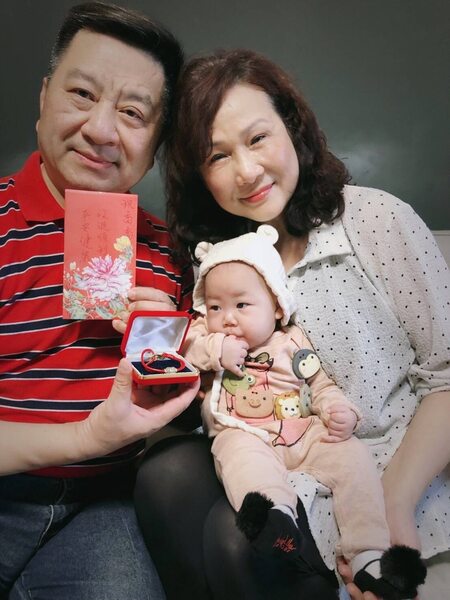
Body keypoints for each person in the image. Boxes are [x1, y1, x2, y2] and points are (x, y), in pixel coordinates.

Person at [135, 49, 450, 600]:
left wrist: (394, 502)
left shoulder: (374, 219)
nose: (247, 171)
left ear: (293, 127)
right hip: (273, 458)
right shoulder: (217, 263)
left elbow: (445, 375)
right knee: (164, 473)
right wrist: (156, 333)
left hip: (382, 471)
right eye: (217, 156)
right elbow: (206, 395)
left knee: (235, 543)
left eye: (257, 138)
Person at [0, 2, 198, 599]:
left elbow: (188, 410)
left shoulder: (171, 253)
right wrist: (85, 437)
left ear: (156, 142)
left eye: (133, 112)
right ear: (44, 97)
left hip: (103, 505)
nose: (102, 130)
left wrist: (164, 349)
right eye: (82, 94)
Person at [183, 224, 426, 599]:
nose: (227, 317)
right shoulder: (208, 336)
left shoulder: (292, 341)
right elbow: (187, 349)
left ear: (277, 306)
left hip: (301, 430)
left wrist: (338, 409)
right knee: (240, 460)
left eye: (242, 305)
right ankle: (278, 525)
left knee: (352, 458)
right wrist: (216, 351)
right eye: (215, 307)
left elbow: (320, 383)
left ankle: (369, 554)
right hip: (246, 435)